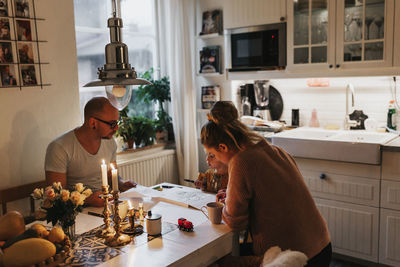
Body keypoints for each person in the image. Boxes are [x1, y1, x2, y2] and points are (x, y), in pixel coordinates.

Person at [200, 101, 331, 267]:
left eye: (212, 154)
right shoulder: (275, 150)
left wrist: (225, 203)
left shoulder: (241, 162)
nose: (211, 159)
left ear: (223, 147)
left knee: (218, 260)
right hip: (322, 247)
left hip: (292, 259)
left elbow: (235, 222)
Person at [45, 97, 136, 207]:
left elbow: (111, 176)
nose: (116, 128)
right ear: (93, 123)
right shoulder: (59, 148)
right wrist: (88, 200)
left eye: (117, 122)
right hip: (77, 211)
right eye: (112, 124)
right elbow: (56, 196)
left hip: (107, 205)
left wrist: (121, 183)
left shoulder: (110, 141)